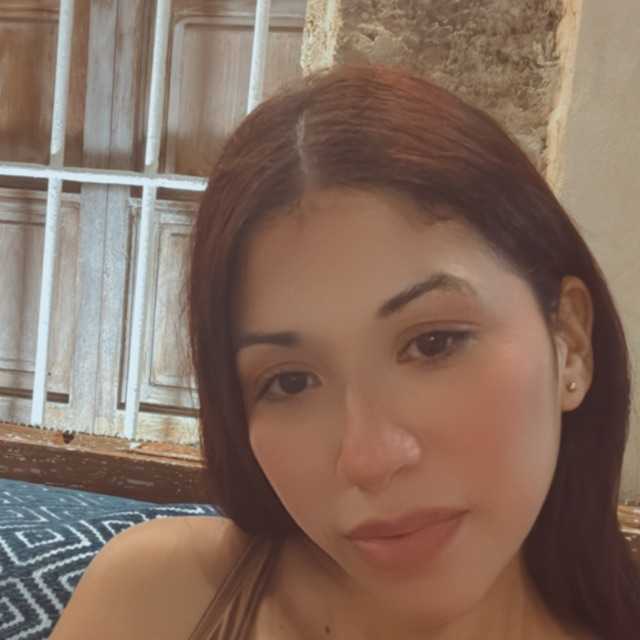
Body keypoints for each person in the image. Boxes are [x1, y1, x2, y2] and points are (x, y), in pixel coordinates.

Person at [51, 65, 639, 640]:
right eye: (290, 382)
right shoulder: (158, 602)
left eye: (433, 343)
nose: (369, 459)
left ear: (570, 344)